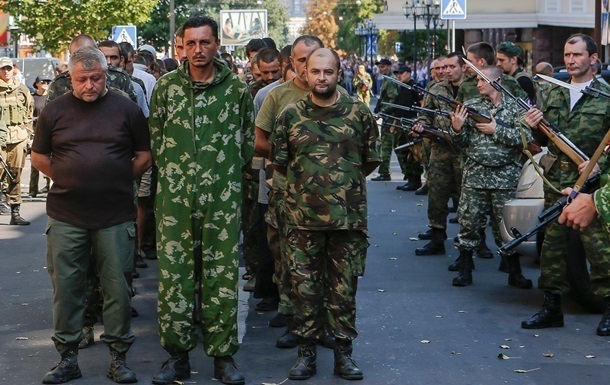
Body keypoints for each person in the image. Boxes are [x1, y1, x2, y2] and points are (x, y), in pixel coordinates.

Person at [31, 46, 152, 384]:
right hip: (66, 216)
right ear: (70, 78)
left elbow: (144, 155)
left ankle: (119, 359)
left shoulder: (127, 110)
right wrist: (69, 177)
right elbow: (39, 157)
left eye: (95, 78)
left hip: (115, 216)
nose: (89, 85)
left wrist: (115, 177)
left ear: (106, 75)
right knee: (67, 289)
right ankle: (68, 359)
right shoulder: (53, 111)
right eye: (81, 79)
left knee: (118, 289)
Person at [148, 16, 254, 385]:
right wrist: (180, 179)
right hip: (174, 201)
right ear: (181, 46)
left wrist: (218, 178)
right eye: (190, 43)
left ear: (217, 44)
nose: (197, 50)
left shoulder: (237, 90)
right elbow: (156, 141)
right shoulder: (165, 88)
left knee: (221, 278)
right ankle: (176, 356)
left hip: (221, 202)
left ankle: (223, 357)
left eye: (204, 42)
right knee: (175, 278)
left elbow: (245, 143)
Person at [271, 47, 380, 381]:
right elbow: (281, 162)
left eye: (328, 72)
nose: (321, 78)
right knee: (305, 290)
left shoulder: (358, 113)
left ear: (338, 73)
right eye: (315, 72)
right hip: (303, 221)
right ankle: (306, 355)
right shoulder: (290, 115)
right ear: (305, 73)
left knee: (343, 291)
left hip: (347, 221)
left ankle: (344, 356)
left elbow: (371, 160)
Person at [521, 33, 610, 335]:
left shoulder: (605, 96)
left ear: (593, 59)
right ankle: (551, 307)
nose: (571, 60)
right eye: (567, 55)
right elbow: (541, 143)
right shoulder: (554, 93)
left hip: (592, 186)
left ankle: (609, 309)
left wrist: (601, 165)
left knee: (599, 250)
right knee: (552, 249)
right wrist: (533, 127)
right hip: (557, 183)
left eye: (578, 55)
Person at [254, 35, 328, 349]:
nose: (309, 66)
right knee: (287, 259)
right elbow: (259, 142)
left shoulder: (340, 97)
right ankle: (293, 318)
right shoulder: (276, 96)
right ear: (292, 63)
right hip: (285, 192)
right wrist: (298, 158)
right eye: (301, 60)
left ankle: (321, 323)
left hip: (327, 196)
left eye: (315, 58)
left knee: (324, 262)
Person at [449, 65, 532, 288]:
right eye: (477, 79)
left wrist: (497, 130)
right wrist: (456, 129)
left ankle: (514, 272)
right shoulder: (470, 106)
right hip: (476, 174)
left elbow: (525, 139)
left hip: (506, 176)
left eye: (483, 80)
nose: (478, 84)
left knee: (507, 226)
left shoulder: (516, 107)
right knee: (469, 223)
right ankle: (465, 269)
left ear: (497, 82)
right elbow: (461, 143)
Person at [413, 52, 467, 257]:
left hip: (465, 152)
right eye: (445, 67)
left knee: (468, 199)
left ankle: (471, 243)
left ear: (463, 67)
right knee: (437, 196)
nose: (447, 71)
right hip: (440, 151)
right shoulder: (436, 90)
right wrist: (421, 125)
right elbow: (425, 114)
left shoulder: (472, 88)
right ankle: (437, 237)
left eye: (452, 67)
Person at [0, 56, 34, 225]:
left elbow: (29, 113)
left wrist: (27, 134)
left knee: (15, 174)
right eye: (3, 68)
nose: (6, 71)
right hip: (0, 139)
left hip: (18, 138)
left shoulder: (22, 90)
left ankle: (15, 212)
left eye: (9, 68)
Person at [392, 65, 423, 191]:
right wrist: (394, 124)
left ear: (408, 73)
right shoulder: (401, 87)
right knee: (401, 150)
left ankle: (415, 180)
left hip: (411, 123)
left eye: (401, 73)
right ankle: (409, 176)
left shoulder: (415, 86)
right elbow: (399, 108)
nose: (399, 76)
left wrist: (419, 122)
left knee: (412, 152)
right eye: (398, 74)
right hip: (401, 123)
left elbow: (422, 105)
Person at [371, 58, 399, 181]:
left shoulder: (391, 81)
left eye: (383, 67)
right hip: (388, 116)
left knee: (386, 146)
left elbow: (393, 101)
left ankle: (385, 173)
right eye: (380, 67)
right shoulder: (386, 79)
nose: (381, 69)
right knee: (386, 145)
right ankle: (384, 171)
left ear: (389, 67)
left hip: (391, 117)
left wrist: (382, 112)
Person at [29, 75, 52, 198]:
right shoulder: (32, 98)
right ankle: (33, 189)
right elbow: (27, 114)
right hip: (35, 131)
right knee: (35, 160)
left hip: (49, 132)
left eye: (48, 82)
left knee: (50, 159)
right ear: (37, 83)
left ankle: (49, 186)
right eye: (43, 81)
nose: (45, 84)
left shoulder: (51, 97)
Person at [496, 41, 537, 106]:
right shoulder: (510, 78)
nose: (498, 64)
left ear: (514, 60)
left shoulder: (523, 80)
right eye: (497, 60)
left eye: (502, 60)